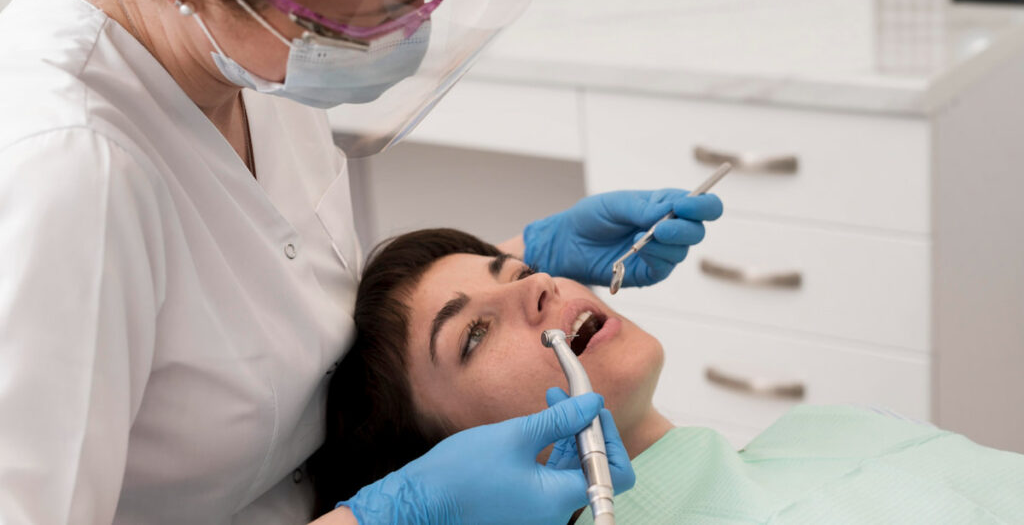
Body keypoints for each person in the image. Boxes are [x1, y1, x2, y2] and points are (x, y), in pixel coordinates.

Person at [0, 0, 727, 523]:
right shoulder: (64, 171)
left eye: (413, 0)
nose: (400, 34)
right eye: (354, 24)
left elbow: (264, 301)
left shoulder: (254, 56)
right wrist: (389, 515)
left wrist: (513, 258)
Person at [310, 228, 1024, 524]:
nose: (538, 290)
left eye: (522, 271)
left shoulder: (832, 429)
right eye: (473, 333)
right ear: (449, 464)